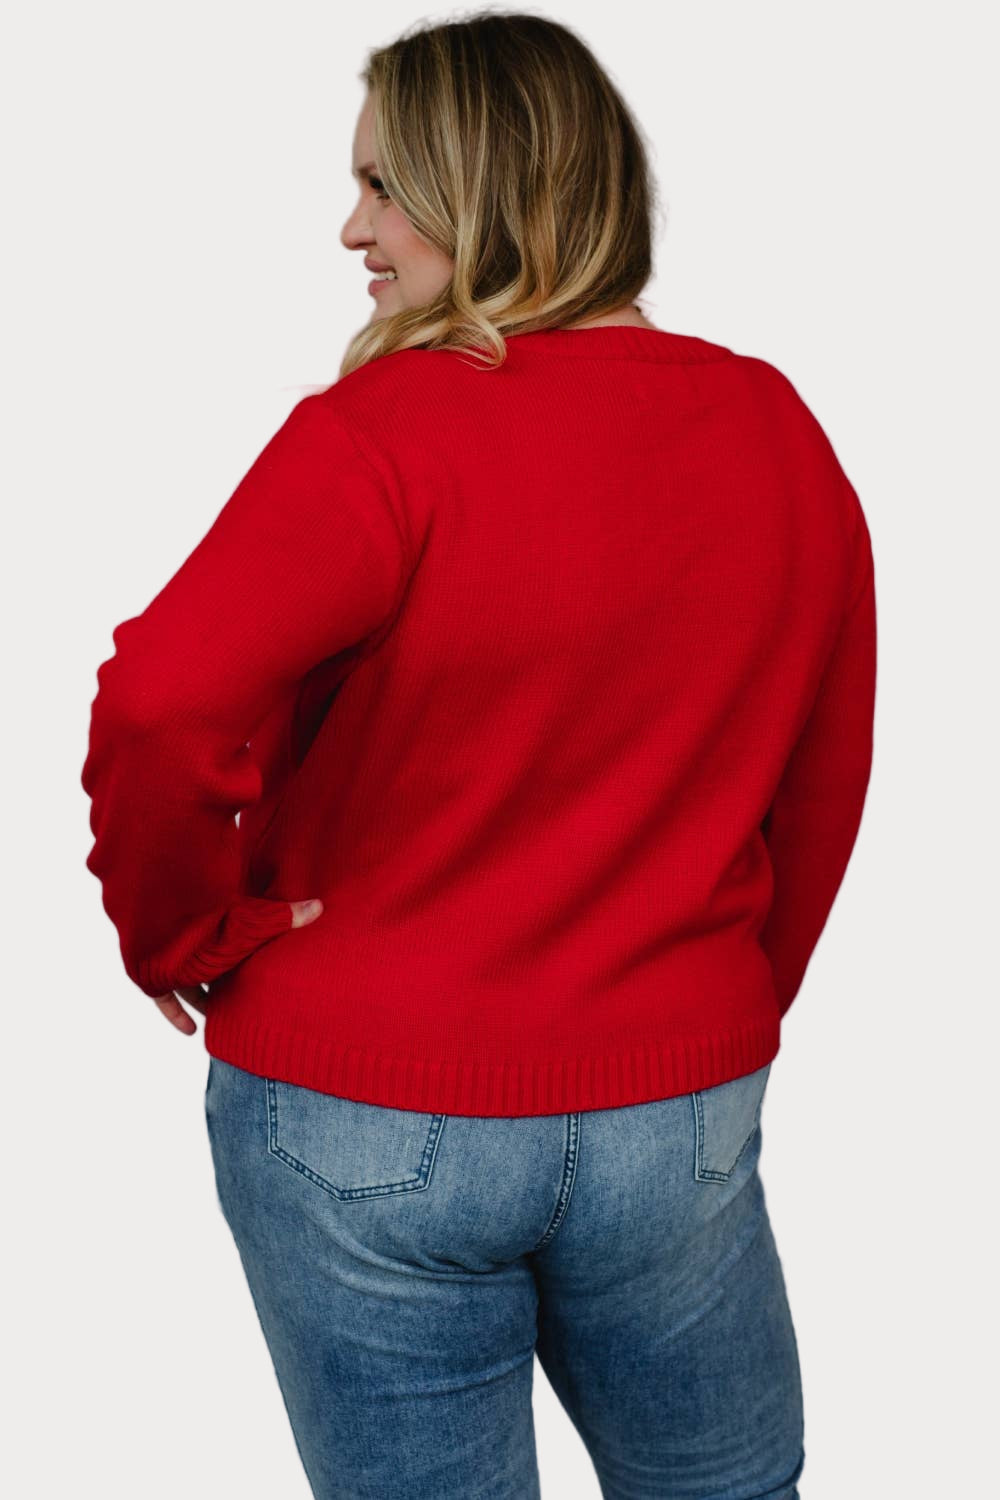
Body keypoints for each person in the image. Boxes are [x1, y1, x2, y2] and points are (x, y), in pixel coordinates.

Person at [80, 13, 876, 1500]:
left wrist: (181, 931)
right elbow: (819, 781)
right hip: (675, 1106)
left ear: (487, 188)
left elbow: (161, 700)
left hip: (368, 1103)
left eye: (385, 187)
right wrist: (706, 1009)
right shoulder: (776, 429)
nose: (350, 229)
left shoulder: (384, 434)